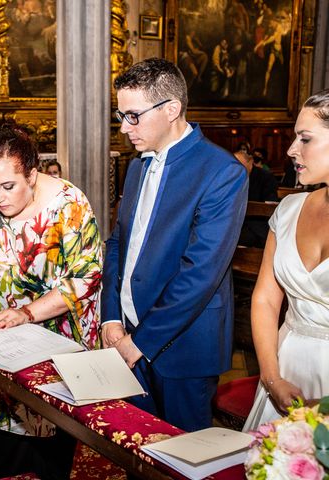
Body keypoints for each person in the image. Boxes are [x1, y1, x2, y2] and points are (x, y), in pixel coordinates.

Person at [0, 123, 102, 479]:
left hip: (57, 349)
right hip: (0, 353)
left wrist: (28, 312)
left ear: (32, 175)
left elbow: (86, 277)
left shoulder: (69, 206)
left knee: (52, 456)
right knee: (6, 456)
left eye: (8, 186)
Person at [101, 58, 248, 432]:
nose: (123, 127)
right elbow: (118, 243)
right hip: (127, 333)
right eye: (121, 115)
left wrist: (142, 341)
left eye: (133, 115)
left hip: (183, 346)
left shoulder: (221, 171)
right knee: (135, 445)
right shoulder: (136, 166)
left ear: (171, 109)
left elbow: (200, 273)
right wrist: (112, 316)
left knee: (182, 458)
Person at [244, 90, 329, 431]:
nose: (292, 149)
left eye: (304, 139)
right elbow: (265, 299)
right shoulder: (289, 209)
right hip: (285, 365)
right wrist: (272, 377)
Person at [234, 146, 278, 247]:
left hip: (257, 223)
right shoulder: (230, 177)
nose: (236, 168)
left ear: (250, 163)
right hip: (236, 222)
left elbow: (270, 204)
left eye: (240, 165)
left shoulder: (266, 177)